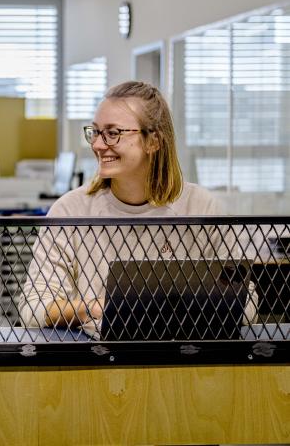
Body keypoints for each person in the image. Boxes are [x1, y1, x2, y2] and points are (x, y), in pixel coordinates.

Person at [21, 81, 256, 338]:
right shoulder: (69, 210)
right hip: (103, 364)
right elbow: (32, 308)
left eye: (113, 133)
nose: (98, 145)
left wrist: (177, 309)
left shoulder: (201, 207)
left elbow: (247, 306)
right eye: (96, 132)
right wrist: (92, 308)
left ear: (153, 140)